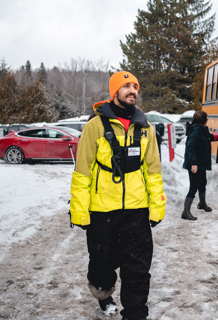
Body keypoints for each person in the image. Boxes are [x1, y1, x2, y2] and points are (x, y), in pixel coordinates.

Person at [69, 71, 166, 320]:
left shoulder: (146, 129)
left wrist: (156, 207)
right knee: (101, 268)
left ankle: (135, 314)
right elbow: (82, 173)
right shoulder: (95, 126)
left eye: (135, 85)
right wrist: (80, 211)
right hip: (102, 212)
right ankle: (103, 293)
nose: (132, 90)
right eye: (126, 86)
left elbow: (153, 172)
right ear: (115, 92)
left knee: (138, 270)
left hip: (137, 211)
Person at [181, 110, 218, 220]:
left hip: (200, 163)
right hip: (194, 163)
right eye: (206, 119)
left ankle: (202, 203)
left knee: (202, 182)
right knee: (193, 186)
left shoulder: (200, 129)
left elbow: (208, 137)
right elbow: (191, 148)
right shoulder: (195, 131)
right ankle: (185, 212)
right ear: (203, 120)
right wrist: (194, 164)